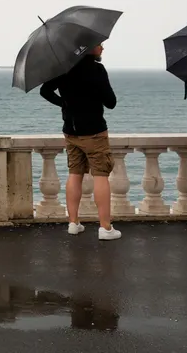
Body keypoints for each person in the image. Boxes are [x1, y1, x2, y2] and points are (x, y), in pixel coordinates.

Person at [40, 44, 121, 241]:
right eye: (99, 45)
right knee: (101, 175)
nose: (102, 48)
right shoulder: (96, 69)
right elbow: (111, 102)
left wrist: (64, 103)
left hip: (71, 131)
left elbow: (45, 91)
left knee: (75, 173)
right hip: (94, 131)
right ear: (88, 48)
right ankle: (105, 228)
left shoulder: (63, 68)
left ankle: (73, 223)